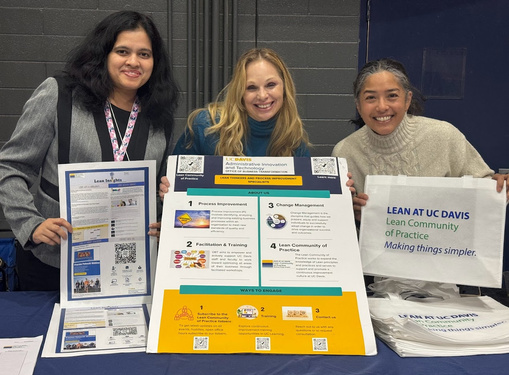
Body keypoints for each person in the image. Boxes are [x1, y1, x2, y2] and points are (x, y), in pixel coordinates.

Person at [0, 11, 179, 291]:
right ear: (103, 54)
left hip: (127, 268)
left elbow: (158, 188)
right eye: (123, 51)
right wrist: (30, 224)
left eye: (144, 54)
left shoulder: (159, 117)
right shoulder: (59, 95)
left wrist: (165, 212)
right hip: (53, 262)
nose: (134, 62)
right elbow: (10, 168)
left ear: (155, 63)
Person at [332, 58, 508, 222]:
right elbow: (340, 227)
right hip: (378, 254)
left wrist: (500, 189)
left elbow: (486, 198)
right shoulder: (344, 153)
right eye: (370, 97)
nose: (382, 106)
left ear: (407, 100)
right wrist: (352, 215)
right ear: (358, 105)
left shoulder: (444, 136)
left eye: (392, 95)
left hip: (444, 251)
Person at [172, 47, 310, 157]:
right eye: (251, 87)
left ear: (285, 87)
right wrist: (167, 185)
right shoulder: (206, 126)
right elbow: (175, 181)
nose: (262, 95)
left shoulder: (293, 139)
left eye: (270, 85)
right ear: (240, 93)